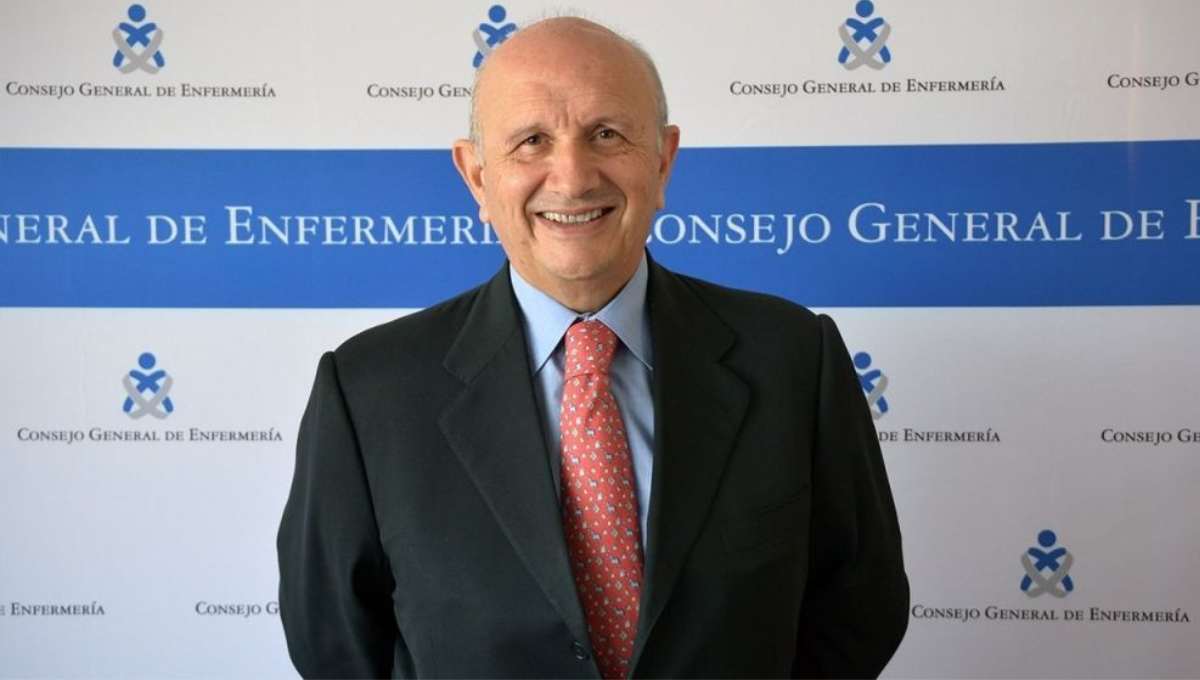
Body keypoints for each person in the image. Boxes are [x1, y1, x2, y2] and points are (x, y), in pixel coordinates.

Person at [278, 16, 908, 679]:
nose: (573, 178)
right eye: (531, 142)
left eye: (606, 134)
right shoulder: (368, 391)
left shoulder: (794, 358)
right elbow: (336, 648)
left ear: (662, 161)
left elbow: (858, 609)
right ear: (477, 177)